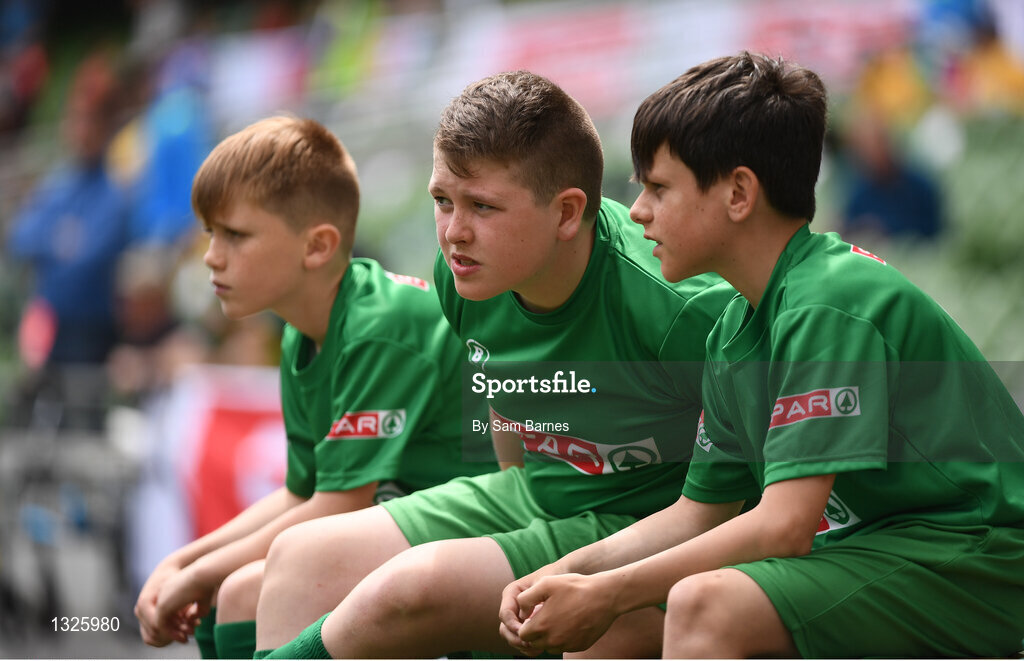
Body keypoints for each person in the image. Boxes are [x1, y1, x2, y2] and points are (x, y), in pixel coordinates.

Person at [496, 52, 1024, 659]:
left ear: (739, 193)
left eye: (659, 187)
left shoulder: (829, 302)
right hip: (887, 547)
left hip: (979, 558)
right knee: (619, 619)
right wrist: (565, 573)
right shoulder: (731, 329)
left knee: (703, 603)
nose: (637, 210)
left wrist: (608, 591)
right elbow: (697, 513)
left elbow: (784, 526)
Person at [253, 70, 735, 659]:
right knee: (298, 558)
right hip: (535, 495)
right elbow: (511, 436)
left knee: (411, 589)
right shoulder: (465, 278)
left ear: (565, 214)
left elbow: (749, 499)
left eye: (482, 206)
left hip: (644, 531)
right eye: (441, 201)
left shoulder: (679, 307)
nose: (454, 233)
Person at [132, 115, 498, 659]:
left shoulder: (380, 327)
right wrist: (184, 562)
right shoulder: (300, 335)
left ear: (318, 246)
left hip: (492, 533)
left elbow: (339, 504)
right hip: (424, 528)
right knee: (226, 591)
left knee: (236, 590)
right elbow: (302, 491)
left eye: (235, 235)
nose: (211, 256)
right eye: (212, 234)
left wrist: (201, 571)